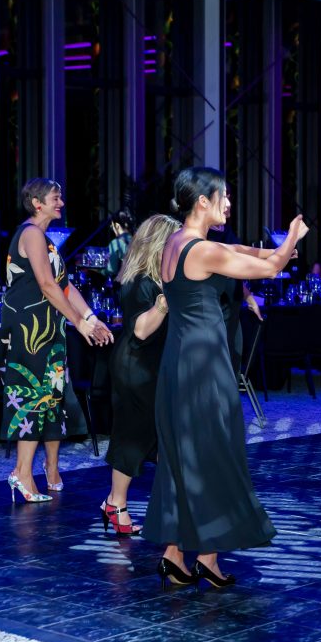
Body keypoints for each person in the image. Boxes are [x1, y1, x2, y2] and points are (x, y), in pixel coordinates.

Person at [145, 167, 306, 588]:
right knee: (215, 455)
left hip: (178, 363)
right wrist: (291, 238)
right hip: (204, 366)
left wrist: (271, 249)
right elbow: (271, 268)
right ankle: (208, 558)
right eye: (224, 196)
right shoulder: (201, 250)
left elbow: (238, 250)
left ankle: (174, 554)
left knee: (182, 459)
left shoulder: (175, 242)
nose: (229, 204)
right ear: (203, 201)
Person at [3, 179, 114, 503]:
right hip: (30, 331)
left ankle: (36, 470)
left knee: (50, 398)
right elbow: (47, 285)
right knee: (32, 395)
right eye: (56, 198)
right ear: (37, 203)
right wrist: (78, 323)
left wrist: (90, 317)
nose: (61, 203)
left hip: (48, 330)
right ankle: (21, 473)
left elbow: (64, 285)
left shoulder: (45, 240)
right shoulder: (31, 234)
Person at [101, 215, 182, 535]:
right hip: (136, 367)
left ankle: (172, 505)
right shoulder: (139, 282)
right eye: (174, 242)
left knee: (164, 435)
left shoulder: (163, 279)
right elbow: (140, 330)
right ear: (159, 244)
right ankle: (116, 503)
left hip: (154, 365)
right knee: (134, 435)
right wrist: (163, 305)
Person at [206, 203, 264, 376]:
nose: (228, 203)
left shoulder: (226, 231)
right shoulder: (204, 234)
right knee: (219, 364)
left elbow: (235, 273)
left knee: (233, 358)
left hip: (233, 306)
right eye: (223, 197)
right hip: (216, 307)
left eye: (229, 197)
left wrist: (250, 298)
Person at [105, 208, 134, 279]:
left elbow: (111, 270)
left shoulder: (115, 243)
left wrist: (98, 271)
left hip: (123, 282)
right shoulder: (138, 240)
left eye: (112, 226)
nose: (112, 229)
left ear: (117, 226)